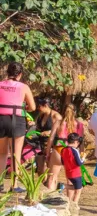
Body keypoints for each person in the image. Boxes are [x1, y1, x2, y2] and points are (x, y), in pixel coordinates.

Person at [0, 63, 36, 192]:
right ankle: (14, 185)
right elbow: (32, 107)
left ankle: (0, 183)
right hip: (16, 119)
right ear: (20, 74)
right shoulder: (24, 87)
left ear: (7, 72)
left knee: (2, 153)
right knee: (16, 153)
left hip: (1, 119)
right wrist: (22, 107)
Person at [33, 96, 62, 185]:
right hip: (41, 144)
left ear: (45, 105)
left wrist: (49, 132)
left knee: (51, 170)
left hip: (52, 144)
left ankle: (52, 186)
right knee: (40, 169)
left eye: (39, 106)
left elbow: (61, 130)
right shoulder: (40, 115)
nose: (38, 108)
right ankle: (45, 184)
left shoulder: (55, 116)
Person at [60, 133, 85, 204]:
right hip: (76, 173)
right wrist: (83, 159)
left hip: (68, 172)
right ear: (76, 142)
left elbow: (62, 162)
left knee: (77, 187)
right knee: (78, 190)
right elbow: (79, 163)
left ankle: (63, 186)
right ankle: (75, 204)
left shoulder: (63, 150)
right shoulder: (74, 150)